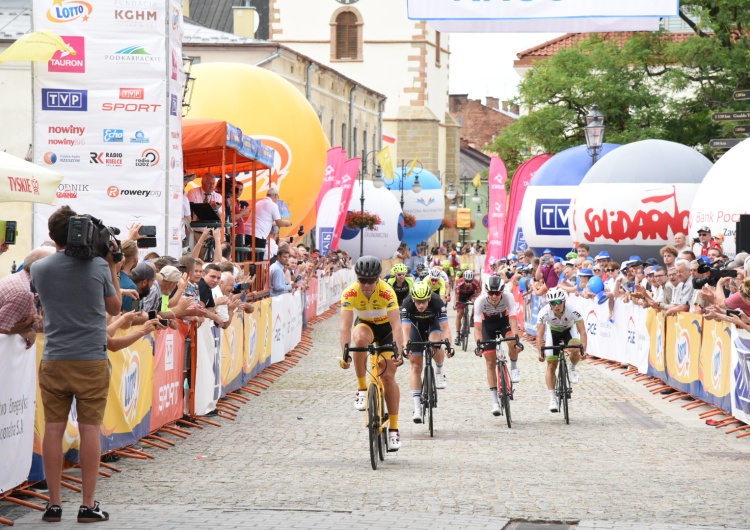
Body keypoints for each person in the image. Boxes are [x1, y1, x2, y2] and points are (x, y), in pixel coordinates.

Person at [31, 206, 122, 523]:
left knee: (53, 430)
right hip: (91, 359)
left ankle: (53, 504)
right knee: (89, 430)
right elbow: (115, 307)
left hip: (55, 357)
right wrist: (111, 265)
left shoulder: (40, 269)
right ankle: (87, 504)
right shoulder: (98, 265)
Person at [339, 256, 404, 450]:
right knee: (358, 340)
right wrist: (344, 352)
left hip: (386, 331)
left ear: (378, 279)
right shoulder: (350, 293)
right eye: (362, 280)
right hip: (366, 326)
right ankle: (362, 388)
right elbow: (345, 325)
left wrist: (398, 351)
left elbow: (397, 325)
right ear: (357, 279)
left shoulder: (387, 292)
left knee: (388, 376)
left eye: (371, 281)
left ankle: (393, 429)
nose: (366, 285)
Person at [400, 282, 453, 422]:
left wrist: (448, 345)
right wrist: (405, 346)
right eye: (418, 302)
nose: (421, 305)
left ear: (429, 299)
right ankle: (417, 408)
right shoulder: (406, 304)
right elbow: (404, 331)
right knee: (416, 366)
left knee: (435, 343)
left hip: (433, 324)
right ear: (413, 299)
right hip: (415, 327)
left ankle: (440, 371)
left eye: (423, 302)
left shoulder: (437, 302)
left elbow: (445, 328)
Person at [474, 276, 522, 416]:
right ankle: (495, 402)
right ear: (486, 292)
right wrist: (479, 344)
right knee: (490, 362)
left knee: (512, 342)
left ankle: (514, 367)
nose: (494, 296)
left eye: (497, 293)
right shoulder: (480, 301)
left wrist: (516, 338)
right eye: (491, 293)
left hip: (503, 321)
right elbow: (477, 327)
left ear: (502, 291)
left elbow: (513, 320)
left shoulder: (508, 296)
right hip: (487, 325)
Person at [535, 288, 586, 413]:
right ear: (549, 304)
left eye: (558, 302)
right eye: (553, 303)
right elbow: (540, 335)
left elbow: (583, 331)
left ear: (564, 301)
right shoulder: (544, 313)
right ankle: (552, 398)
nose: (556, 306)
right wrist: (540, 352)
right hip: (553, 333)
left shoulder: (573, 310)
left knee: (576, 348)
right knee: (551, 365)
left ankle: (573, 368)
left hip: (569, 330)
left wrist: (583, 349)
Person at [0, 247, 54, 349]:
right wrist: (27, 330)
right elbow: (2, 329)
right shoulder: (25, 292)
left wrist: (30, 324)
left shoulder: (22, 279)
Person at [254, 186, 293, 260]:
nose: (277, 199)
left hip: (251, 232)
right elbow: (279, 223)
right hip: (259, 234)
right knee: (258, 258)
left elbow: (268, 220)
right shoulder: (273, 205)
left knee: (252, 256)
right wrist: (287, 223)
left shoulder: (259, 203)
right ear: (275, 196)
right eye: (278, 197)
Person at [454, 269, 481, 345]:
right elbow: (456, 296)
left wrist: (474, 299)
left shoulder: (476, 283)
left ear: (473, 279)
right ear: (464, 279)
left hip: (471, 294)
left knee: (476, 302)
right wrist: (456, 304)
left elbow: (479, 293)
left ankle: (472, 317)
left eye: (470, 281)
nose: (468, 283)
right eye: (467, 281)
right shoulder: (460, 282)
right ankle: (457, 335)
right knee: (459, 314)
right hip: (461, 295)